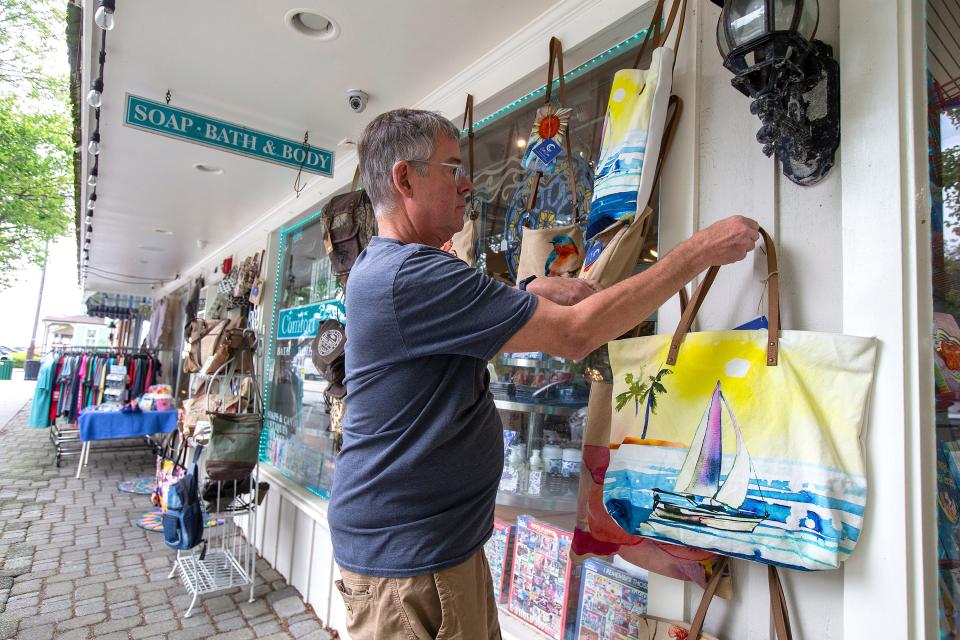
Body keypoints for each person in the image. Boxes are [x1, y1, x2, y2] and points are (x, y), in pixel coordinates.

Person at [328, 108, 759, 640]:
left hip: (430, 552)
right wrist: (699, 251)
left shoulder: (395, 268)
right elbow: (577, 334)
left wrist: (529, 292)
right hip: (411, 567)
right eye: (451, 168)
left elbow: (449, 332)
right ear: (404, 178)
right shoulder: (410, 274)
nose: (467, 184)